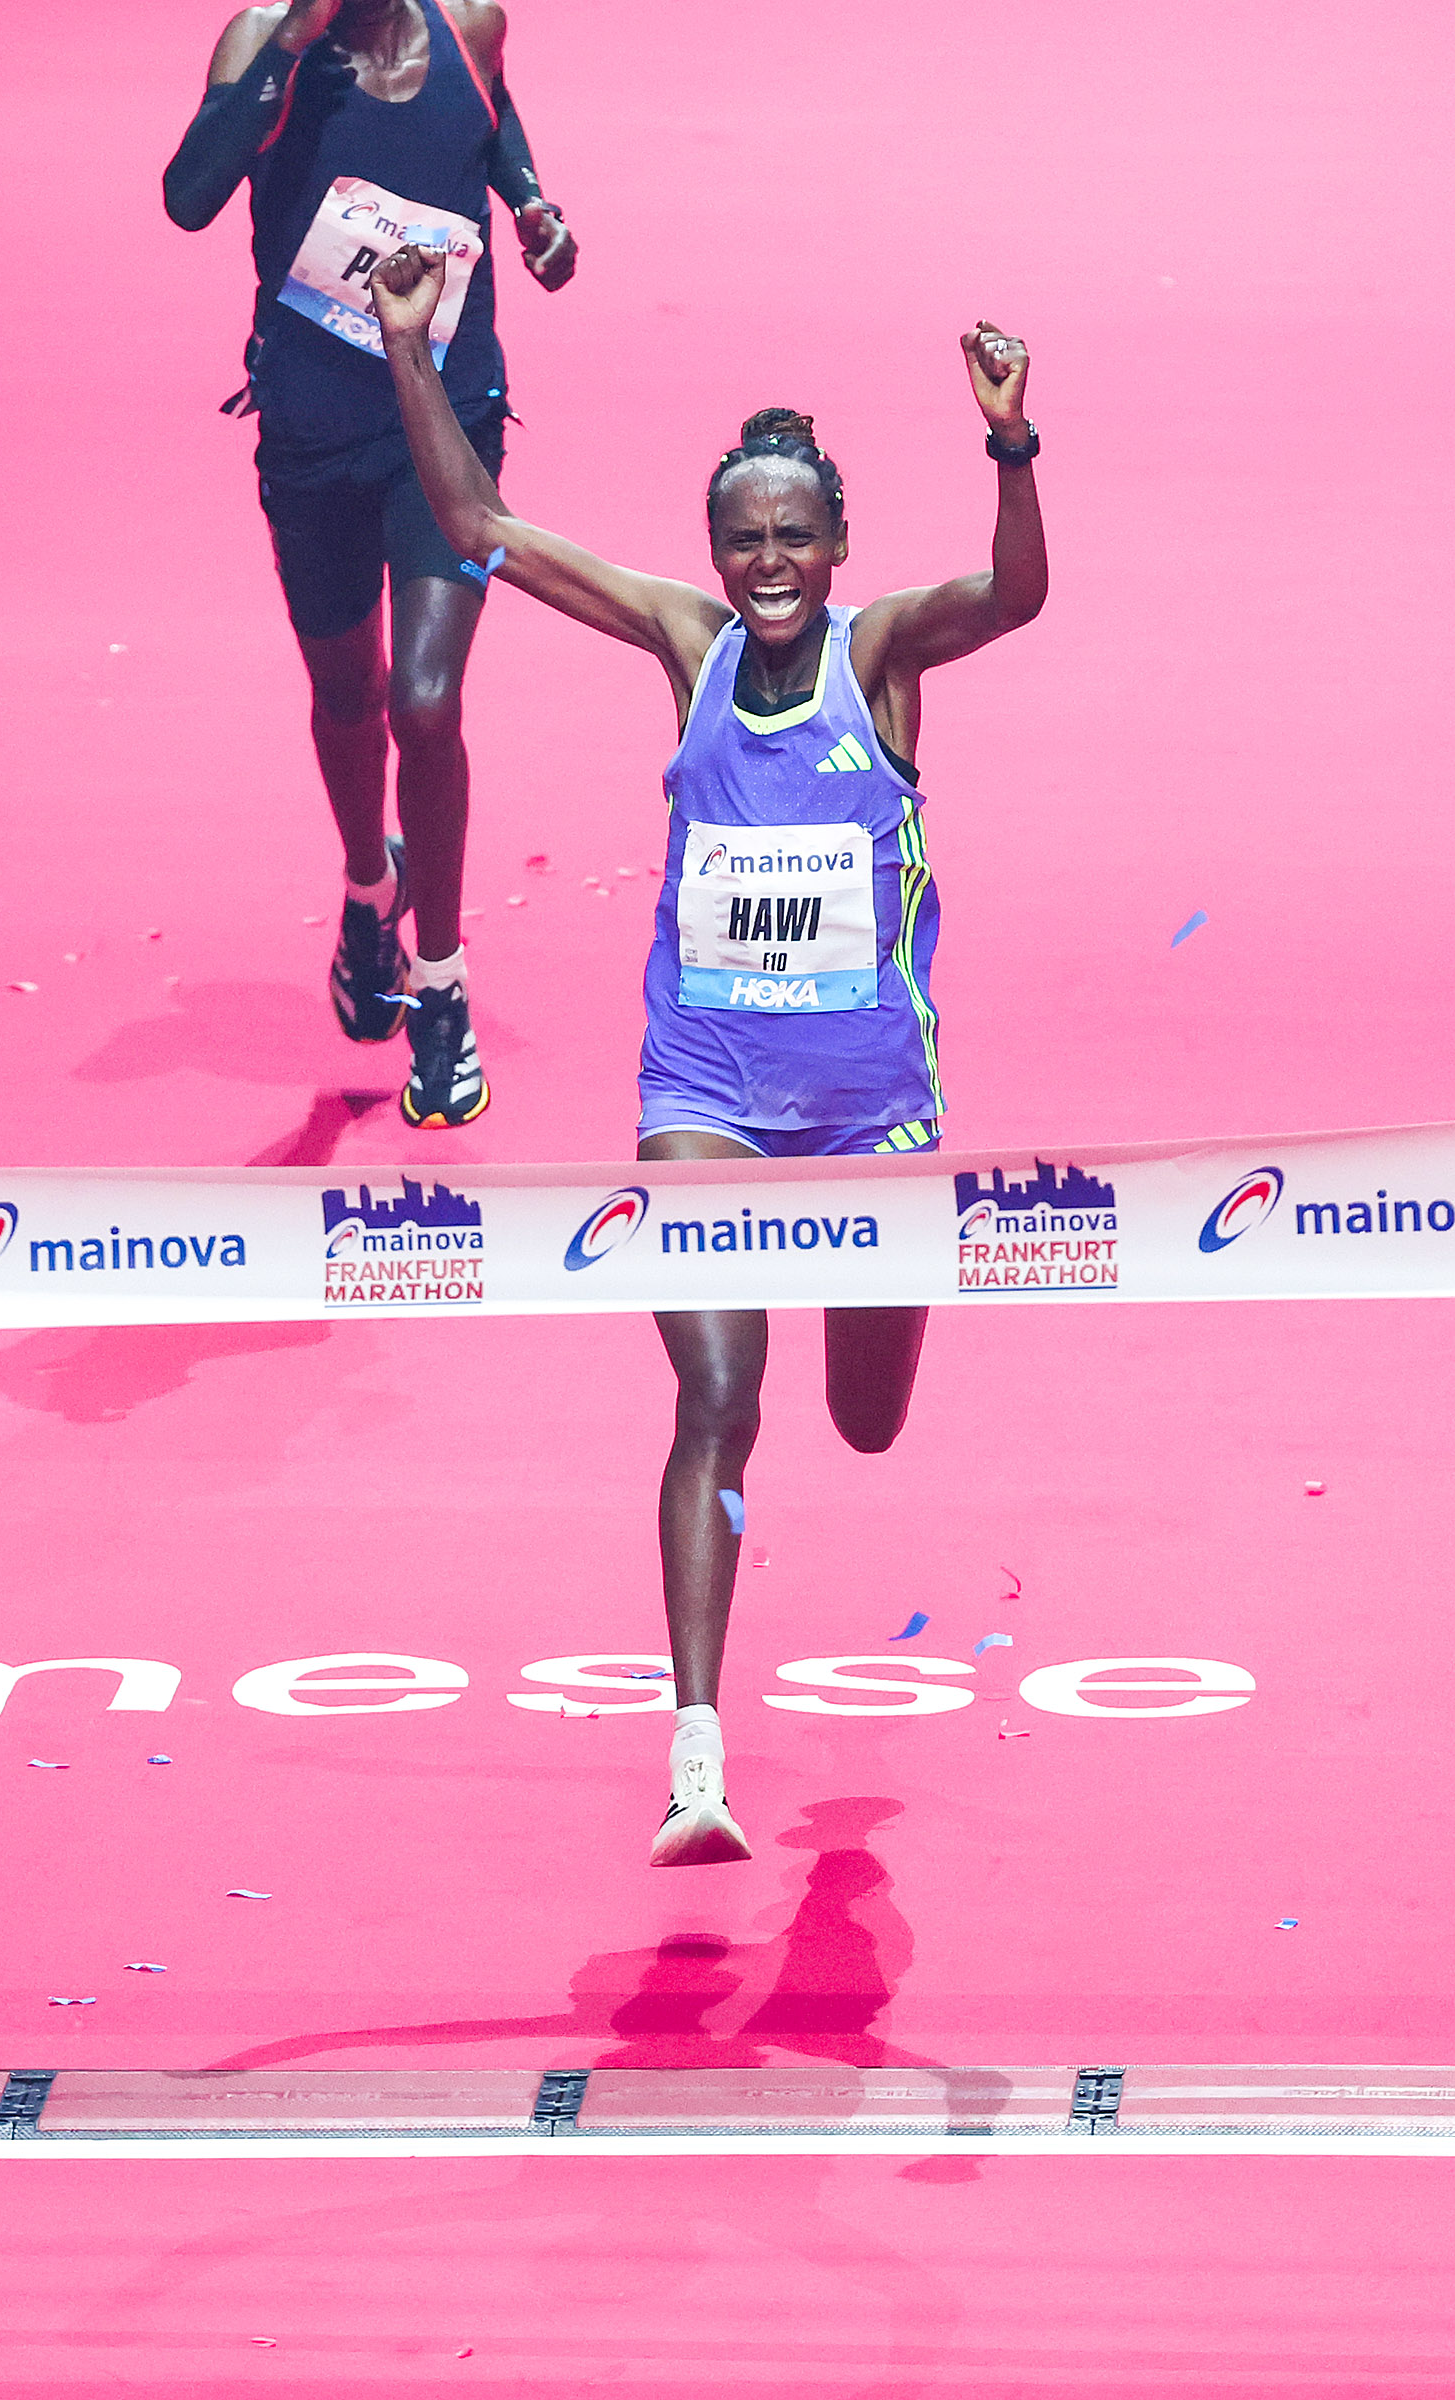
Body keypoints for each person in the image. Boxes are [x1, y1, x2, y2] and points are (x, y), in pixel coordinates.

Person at [364, 240, 1045, 1866]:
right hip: (709, 1101)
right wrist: (408, 347)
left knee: (866, 1421)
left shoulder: (883, 656)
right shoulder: (689, 646)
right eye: (744, 539)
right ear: (714, 551)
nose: (769, 563)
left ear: (837, 544)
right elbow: (478, 525)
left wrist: (1011, 441)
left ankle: (727, 1691)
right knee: (719, 1397)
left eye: (794, 536)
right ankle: (694, 1757)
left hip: (873, 1118)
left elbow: (1016, 596)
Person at [162, 0, 582, 1129]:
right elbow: (188, 197)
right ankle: (368, 884)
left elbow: (494, 119)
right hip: (311, 434)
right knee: (347, 697)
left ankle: (440, 990)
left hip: (448, 424)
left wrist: (532, 205)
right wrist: (295, 42)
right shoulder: (263, 42)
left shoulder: (471, 23)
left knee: (424, 703)